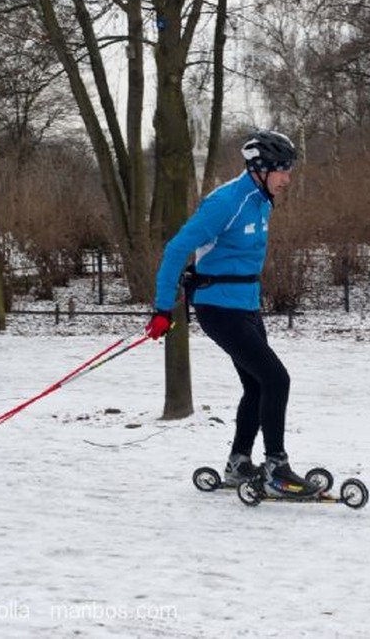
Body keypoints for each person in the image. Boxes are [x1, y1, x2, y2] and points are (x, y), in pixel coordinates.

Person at [145, 130, 321, 497]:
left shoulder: (261, 199)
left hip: (246, 306)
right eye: (283, 171)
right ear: (260, 169)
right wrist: (163, 307)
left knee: (257, 385)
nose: (287, 179)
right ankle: (276, 468)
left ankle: (239, 464)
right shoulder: (226, 202)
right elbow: (177, 249)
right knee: (277, 379)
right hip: (219, 308)